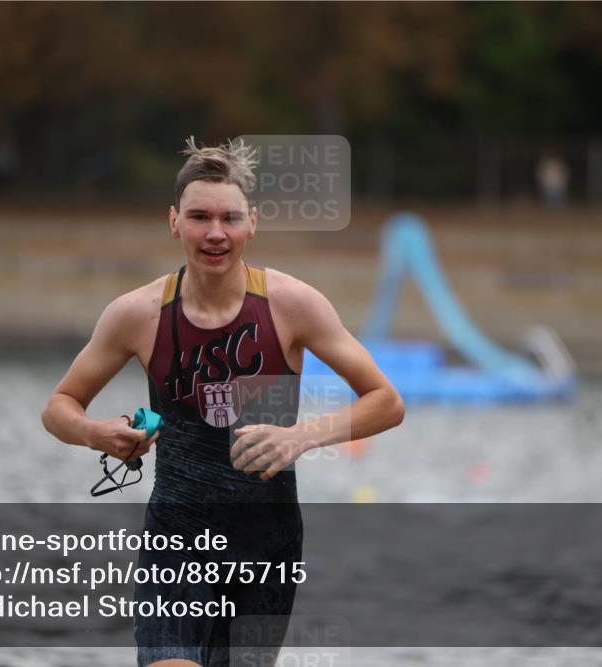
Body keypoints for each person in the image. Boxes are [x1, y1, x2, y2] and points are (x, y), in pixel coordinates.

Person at [41, 137, 404, 667]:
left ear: (252, 223)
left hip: (265, 545)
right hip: (175, 541)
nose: (216, 233)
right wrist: (99, 433)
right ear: (174, 222)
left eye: (230, 218)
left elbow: (386, 401)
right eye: (199, 217)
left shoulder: (292, 305)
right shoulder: (137, 314)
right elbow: (59, 406)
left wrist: (300, 437)